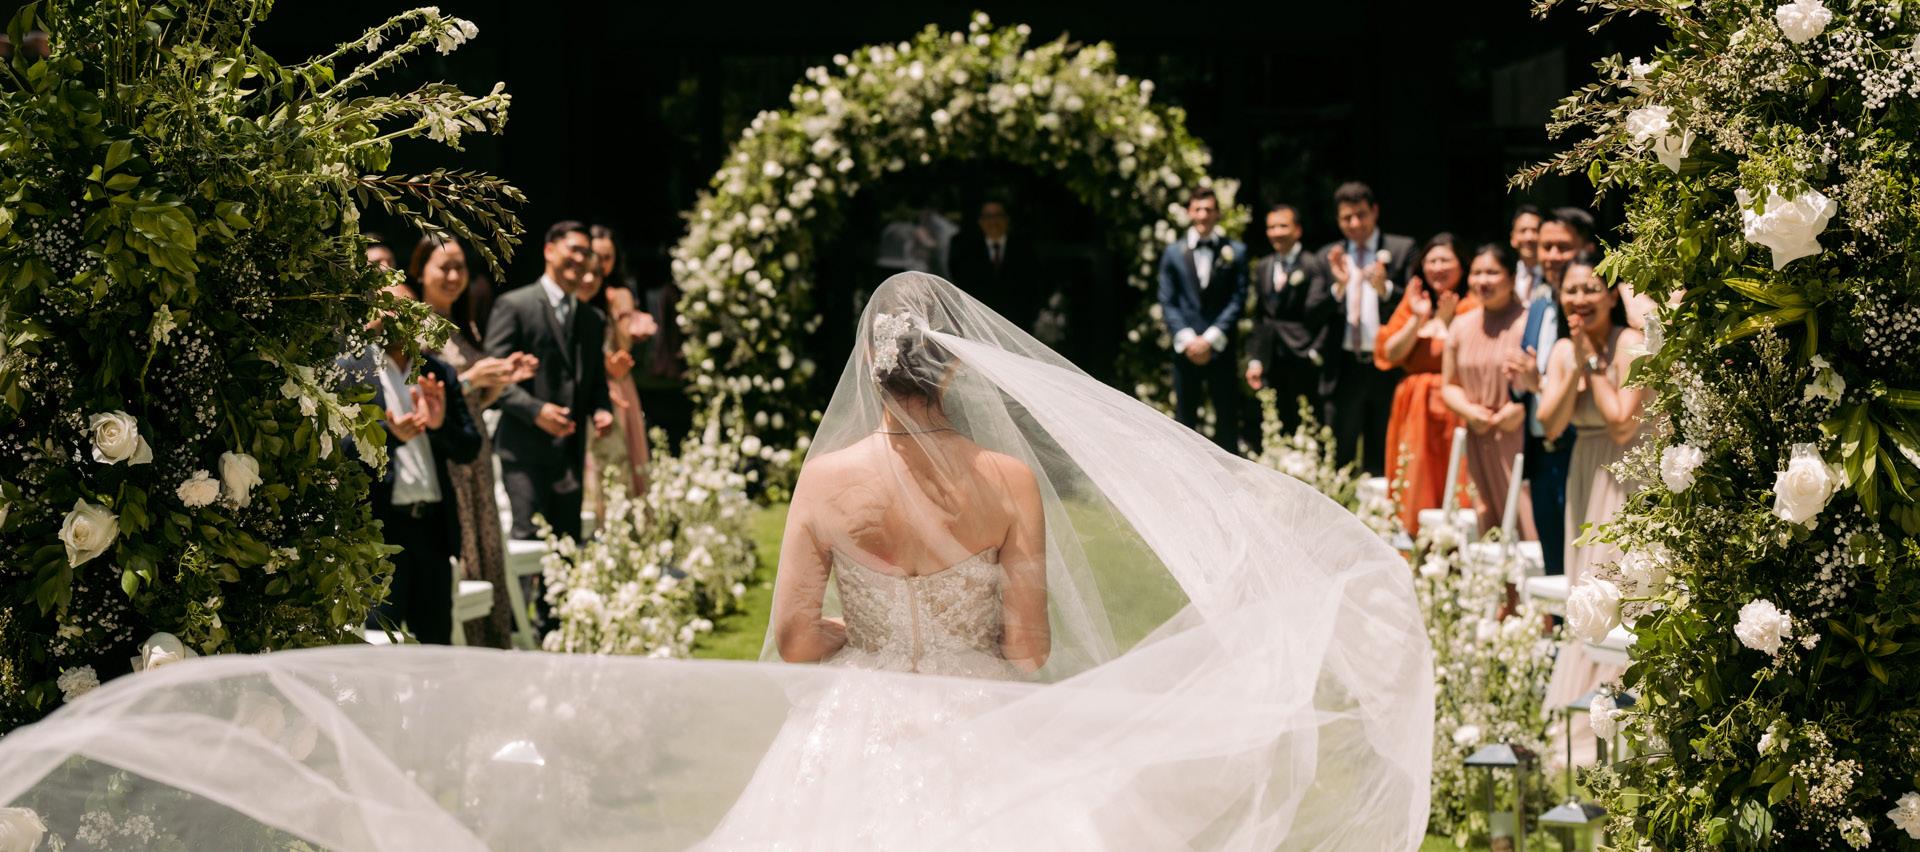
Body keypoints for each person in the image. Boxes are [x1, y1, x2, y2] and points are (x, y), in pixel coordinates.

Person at [0, 273, 1435, 851]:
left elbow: (796, 642)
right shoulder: (1008, 482)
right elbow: (1026, 646)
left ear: (874, 374)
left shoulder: (828, 481)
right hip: (985, 727)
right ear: (960, 375)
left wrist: (863, 643)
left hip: (861, 729)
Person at [409, 235, 538, 648]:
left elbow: (474, 400)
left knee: (487, 550)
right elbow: (427, 396)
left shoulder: (464, 327)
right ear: (420, 271)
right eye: (443, 267)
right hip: (448, 458)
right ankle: (466, 647)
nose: (453, 276)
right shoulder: (416, 328)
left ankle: (492, 644)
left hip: (476, 456)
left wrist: (499, 378)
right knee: (465, 551)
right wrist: (470, 379)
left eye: (460, 268)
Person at [1531, 262, 1646, 713]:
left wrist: (1595, 366)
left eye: (1591, 289)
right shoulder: (1564, 350)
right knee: (1587, 585)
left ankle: (1623, 703)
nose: (1580, 299)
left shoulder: (1631, 343)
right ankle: (1583, 707)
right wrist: (1577, 362)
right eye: (1571, 290)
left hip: (1627, 472)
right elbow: (1550, 424)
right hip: (1585, 472)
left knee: (1617, 585)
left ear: (1612, 296)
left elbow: (1620, 423)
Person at [340, 282, 482, 645]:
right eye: (387, 308)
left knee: (437, 647)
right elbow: (337, 451)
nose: (396, 318)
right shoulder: (352, 370)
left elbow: (469, 448)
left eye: (405, 309)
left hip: (433, 529)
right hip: (381, 530)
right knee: (381, 647)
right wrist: (388, 435)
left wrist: (439, 426)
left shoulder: (438, 372)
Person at [484, 221, 615, 543]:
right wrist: (536, 411)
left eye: (587, 253)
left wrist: (602, 409)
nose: (580, 259)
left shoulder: (592, 319)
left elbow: (596, 379)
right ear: (549, 250)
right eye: (574, 249)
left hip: (570, 453)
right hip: (524, 453)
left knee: (567, 549)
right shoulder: (514, 306)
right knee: (530, 545)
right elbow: (493, 379)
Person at [1505, 207, 1589, 575]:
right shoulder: (1539, 304)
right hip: (1540, 453)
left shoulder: (1587, 310)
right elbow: (1525, 376)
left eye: (1563, 247)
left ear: (1585, 249)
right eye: (1546, 247)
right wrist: (1517, 382)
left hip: (1578, 447)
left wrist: (1537, 383)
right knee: (1552, 566)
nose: (1553, 256)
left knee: (1584, 563)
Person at [1374, 233, 1475, 534]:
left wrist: (1446, 322)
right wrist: (1418, 319)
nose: (1437, 267)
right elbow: (1390, 353)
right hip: (1414, 406)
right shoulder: (1415, 299)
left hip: (1455, 401)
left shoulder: (1471, 302)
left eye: (1445, 260)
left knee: (1453, 472)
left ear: (1461, 265)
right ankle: (1414, 539)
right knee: (1415, 473)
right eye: (1432, 261)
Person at [1319, 182, 1417, 475]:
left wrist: (1385, 289)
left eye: (1360, 215)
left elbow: (1417, 302)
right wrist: (1338, 286)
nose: (1355, 223)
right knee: (1341, 456)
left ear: (1374, 211)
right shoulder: (1329, 256)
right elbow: (1313, 312)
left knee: (1384, 452)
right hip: (1345, 365)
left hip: (1387, 365)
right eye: (1346, 218)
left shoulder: (1401, 249)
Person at [1441, 244, 1533, 537]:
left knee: (1526, 523)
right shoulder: (1460, 324)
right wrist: (1469, 411)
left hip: (1518, 436)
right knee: (1485, 523)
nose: (1483, 280)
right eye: (1477, 273)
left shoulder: (1530, 323)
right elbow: (1449, 385)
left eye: (1492, 272)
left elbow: (1544, 379)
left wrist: (1521, 408)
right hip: (1477, 435)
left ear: (1511, 277)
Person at [1156, 187, 1250, 453]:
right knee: (1185, 420)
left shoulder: (1236, 252)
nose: (1203, 215)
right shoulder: (1173, 253)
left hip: (1220, 349)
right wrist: (1190, 340)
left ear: (1217, 213)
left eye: (1208, 209)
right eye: (1198, 209)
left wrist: (1209, 340)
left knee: (1227, 419)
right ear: (1189, 212)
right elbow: (1167, 301)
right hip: (1186, 350)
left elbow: (1238, 300)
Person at [579, 227, 657, 508]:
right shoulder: (578, 291)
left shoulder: (617, 294)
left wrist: (621, 309)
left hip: (614, 382)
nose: (600, 264)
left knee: (618, 454)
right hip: (587, 379)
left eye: (607, 257)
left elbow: (624, 350)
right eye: (595, 255)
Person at [1245, 203, 1336, 436]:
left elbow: (1323, 314)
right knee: (1273, 424)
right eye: (1271, 227)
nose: (1277, 232)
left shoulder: (1312, 264)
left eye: (1283, 226)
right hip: (1270, 358)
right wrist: (1255, 359)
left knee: (1307, 424)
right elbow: (1260, 317)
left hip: (1302, 357)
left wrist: (1314, 351)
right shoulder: (1263, 266)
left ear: (1297, 230)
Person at [948, 200, 1040, 333]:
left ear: (1006, 220)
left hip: (1017, 328)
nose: (993, 221)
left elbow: (1033, 288)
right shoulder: (967, 252)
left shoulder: (1024, 249)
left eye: (998, 216)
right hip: (979, 327)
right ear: (980, 222)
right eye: (988, 217)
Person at [1509, 205, 1543, 305]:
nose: (1529, 238)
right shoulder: (1505, 276)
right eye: (1523, 230)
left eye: (1535, 230)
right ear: (1513, 238)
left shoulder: (1554, 276)